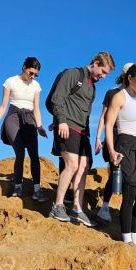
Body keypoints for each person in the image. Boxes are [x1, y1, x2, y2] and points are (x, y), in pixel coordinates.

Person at [48, 52, 115, 227]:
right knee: (72, 165)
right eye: (103, 71)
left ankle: (77, 208)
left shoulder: (93, 87)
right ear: (95, 63)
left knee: (84, 167)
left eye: (106, 73)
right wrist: (60, 121)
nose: (104, 76)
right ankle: (58, 205)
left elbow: (85, 112)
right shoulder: (73, 74)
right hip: (67, 125)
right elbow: (57, 98)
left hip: (82, 130)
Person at [105, 63, 136, 256]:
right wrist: (111, 150)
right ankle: (127, 241)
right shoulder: (119, 96)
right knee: (130, 194)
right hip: (125, 146)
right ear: (130, 78)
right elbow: (109, 126)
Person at [0, 57, 49, 202]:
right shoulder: (10, 81)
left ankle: (37, 190)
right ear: (23, 67)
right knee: (20, 153)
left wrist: (39, 126)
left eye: (35, 74)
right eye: (30, 72)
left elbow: (36, 108)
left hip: (29, 118)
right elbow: (3, 105)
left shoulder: (36, 86)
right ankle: (17, 187)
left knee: (34, 154)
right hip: (13, 116)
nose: (32, 76)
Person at [94, 62, 133, 222]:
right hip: (115, 137)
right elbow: (103, 116)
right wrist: (98, 138)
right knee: (116, 171)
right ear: (126, 76)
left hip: (131, 140)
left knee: (131, 175)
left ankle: (126, 210)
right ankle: (104, 207)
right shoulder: (112, 93)